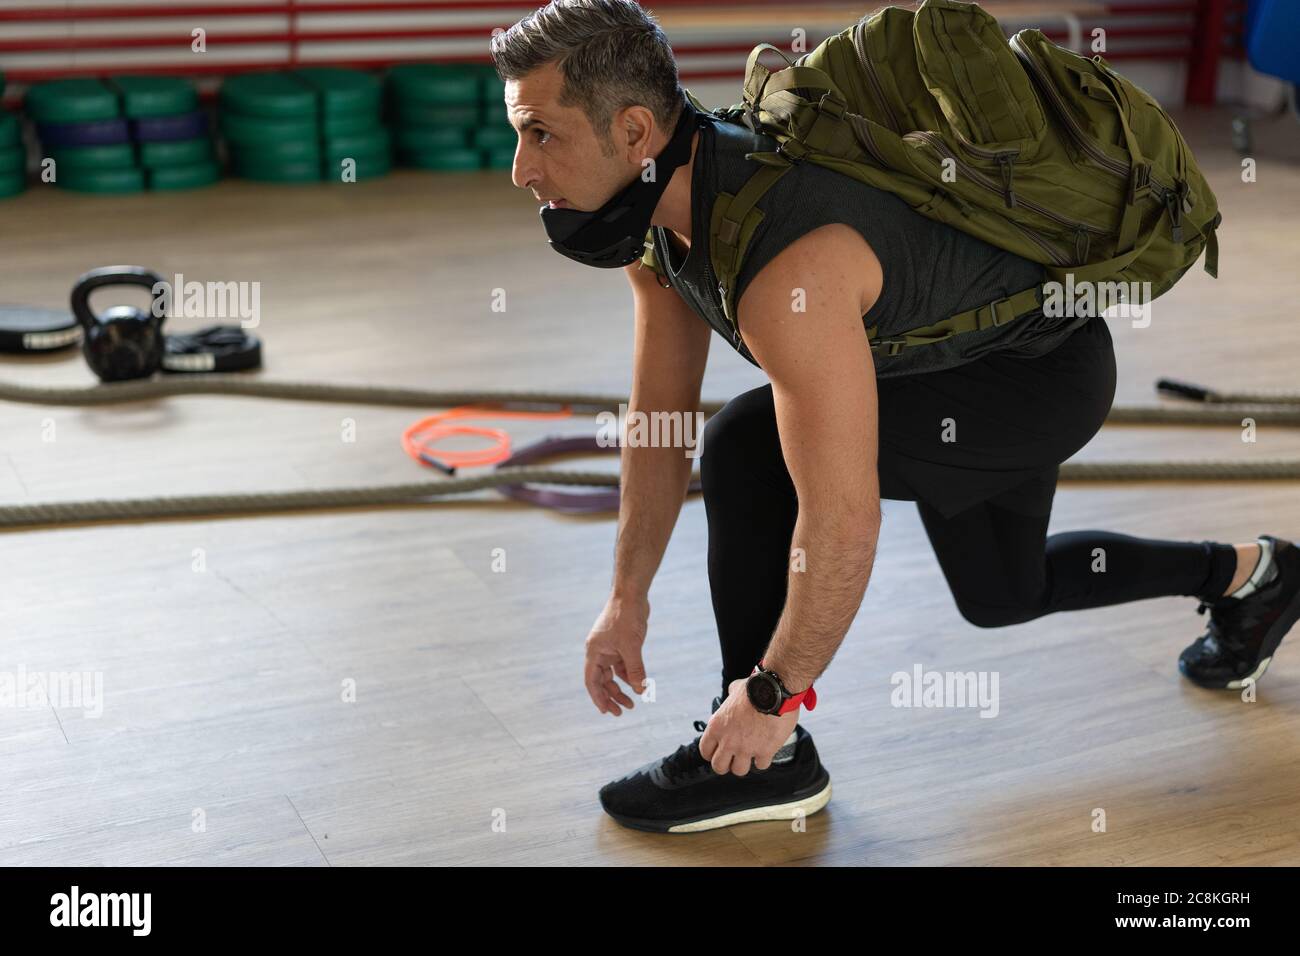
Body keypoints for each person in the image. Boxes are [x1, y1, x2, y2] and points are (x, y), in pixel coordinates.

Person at [490, 0, 1300, 834]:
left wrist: (773, 695)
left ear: (632, 133)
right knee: (1001, 593)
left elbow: (842, 525)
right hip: (951, 361)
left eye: (540, 133)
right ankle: (1256, 575)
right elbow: (660, 425)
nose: (521, 168)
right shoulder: (663, 230)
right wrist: (626, 599)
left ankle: (765, 760)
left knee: (747, 443)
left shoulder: (785, 267)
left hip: (1032, 378)